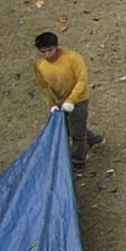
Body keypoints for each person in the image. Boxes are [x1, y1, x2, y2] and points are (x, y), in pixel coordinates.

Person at [33, 31, 97, 169]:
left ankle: (78, 160)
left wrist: (71, 100)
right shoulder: (39, 63)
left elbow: (82, 80)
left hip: (79, 100)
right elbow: (43, 85)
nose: (47, 55)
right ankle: (95, 140)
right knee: (68, 128)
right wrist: (52, 103)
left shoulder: (72, 58)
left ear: (57, 46)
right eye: (43, 52)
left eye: (50, 50)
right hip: (60, 101)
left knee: (77, 134)